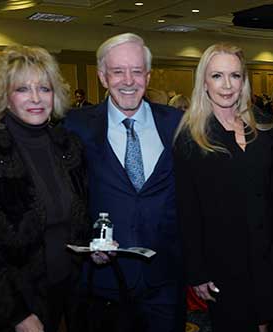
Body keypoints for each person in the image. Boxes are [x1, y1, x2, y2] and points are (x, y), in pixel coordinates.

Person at [0, 45, 90, 331]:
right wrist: (16, 314)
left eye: (45, 89)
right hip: (8, 302)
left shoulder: (69, 145)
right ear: (5, 97)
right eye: (23, 89)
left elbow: (79, 217)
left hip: (68, 291)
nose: (36, 98)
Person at [62, 32, 185, 331]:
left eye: (137, 71)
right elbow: (62, 195)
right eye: (118, 71)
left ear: (148, 75)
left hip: (166, 280)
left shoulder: (178, 123)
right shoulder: (74, 126)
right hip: (103, 281)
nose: (128, 80)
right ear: (103, 77)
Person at [174, 42, 273, 332]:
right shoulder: (191, 138)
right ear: (203, 82)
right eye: (217, 76)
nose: (227, 85)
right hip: (224, 265)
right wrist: (197, 271)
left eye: (235, 76)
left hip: (271, 259)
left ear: (244, 81)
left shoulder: (267, 129)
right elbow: (188, 212)